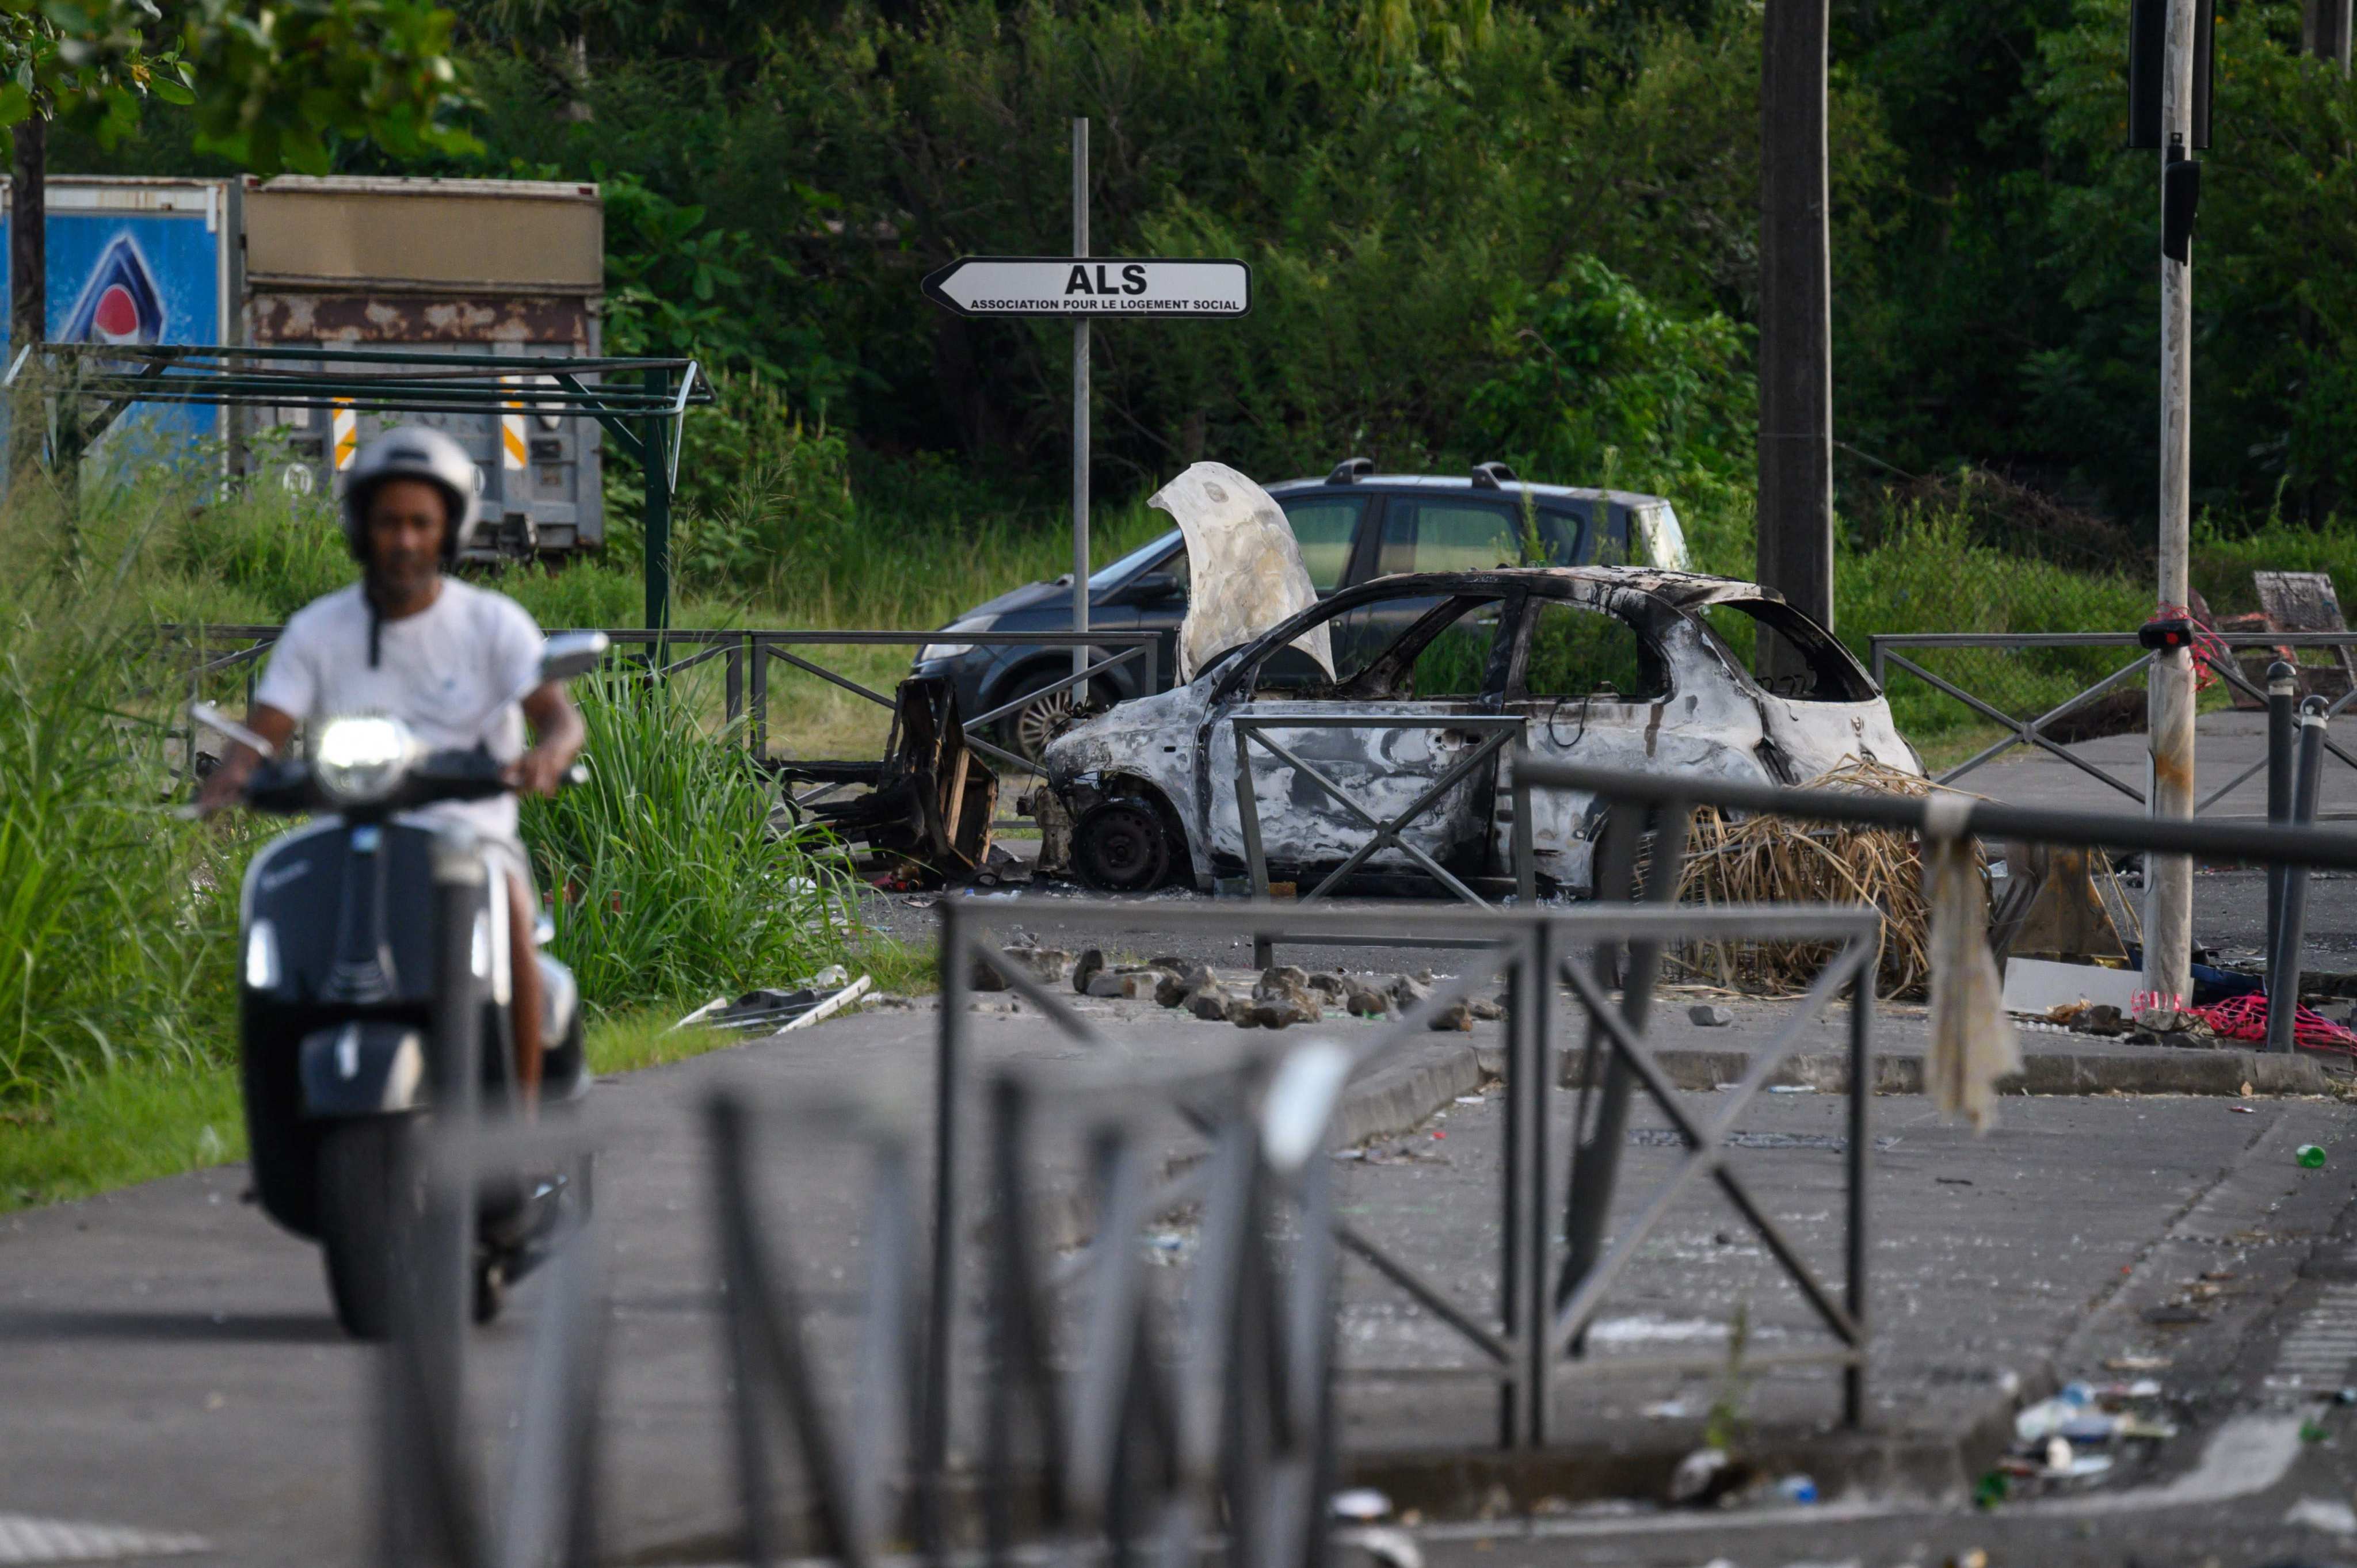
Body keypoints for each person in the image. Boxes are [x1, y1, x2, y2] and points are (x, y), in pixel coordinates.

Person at [197, 426, 586, 1101]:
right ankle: (283, 1117)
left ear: (448, 531)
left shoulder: (493, 623)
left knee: (517, 919)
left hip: (475, 836)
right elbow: (266, 730)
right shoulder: (319, 628)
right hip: (351, 832)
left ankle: (517, 1130)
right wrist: (235, 770)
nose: (403, 539)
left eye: (420, 523)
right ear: (359, 529)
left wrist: (548, 754)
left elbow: (558, 715)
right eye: (387, 523)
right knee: (279, 929)